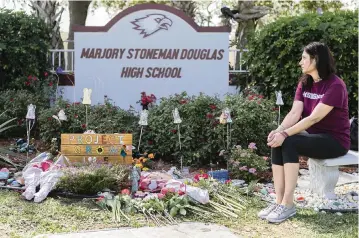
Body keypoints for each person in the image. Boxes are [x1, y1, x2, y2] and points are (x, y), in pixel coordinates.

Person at [258, 42, 350, 223]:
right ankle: (279, 202)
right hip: (315, 137)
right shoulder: (305, 83)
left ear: (316, 60)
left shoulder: (335, 85)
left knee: (289, 141)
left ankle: (288, 204)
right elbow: (294, 113)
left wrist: (286, 135)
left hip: (335, 141)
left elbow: (313, 118)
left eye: (304, 58)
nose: (300, 62)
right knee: (279, 141)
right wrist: (279, 131)